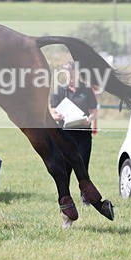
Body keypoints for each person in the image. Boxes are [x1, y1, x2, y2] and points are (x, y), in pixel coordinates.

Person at [49, 61, 99, 202]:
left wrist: (89, 119)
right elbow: (52, 110)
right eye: (68, 77)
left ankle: (86, 196)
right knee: (65, 167)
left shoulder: (87, 90)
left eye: (73, 76)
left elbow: (94, 111)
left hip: (83, 133)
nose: (71, 80)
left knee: (83, 164)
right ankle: (65, 196)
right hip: (64, 134)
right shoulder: (58, 90)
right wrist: (55, 116)